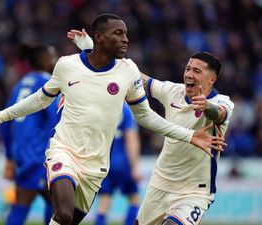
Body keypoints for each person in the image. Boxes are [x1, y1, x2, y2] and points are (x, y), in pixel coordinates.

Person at [0, 13, 225, 225]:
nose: (125, 39)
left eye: (126, 34)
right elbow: (40, 99)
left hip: (96, 167)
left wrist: (190, 135)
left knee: (65, 220)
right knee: (64, 213)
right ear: (100, 38)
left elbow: (146, 116)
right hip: (63, 151)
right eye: (118, 34)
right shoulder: (67, 65)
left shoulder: (128, 71)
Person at [70, 31, 234, 225]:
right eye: (188, 68)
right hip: (160, 184)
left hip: (194, 192)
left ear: (211, 80)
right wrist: (93, 49)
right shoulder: (173, 91)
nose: (189, 74)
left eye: (197, 71)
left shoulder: (222, 102)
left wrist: (206, 106)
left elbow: (220, 113)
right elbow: (135, 76)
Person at [1, 44, 58, 225]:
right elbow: (55, 120)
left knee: (51, 202)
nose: (55, 60)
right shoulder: (47, 83)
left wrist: (9, 157)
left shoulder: (20, 84)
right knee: (55, 203)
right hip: (39, 154)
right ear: (43, 60)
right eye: (52, 56)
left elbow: (5, 124)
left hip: (22, 154)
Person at [95, 103, 141, 225]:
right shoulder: (124, 108)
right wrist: (135, 167)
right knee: (134, 198)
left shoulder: (101, 107)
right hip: (122, 160)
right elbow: (131, 137)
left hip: (103, 161)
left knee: (104, 200)